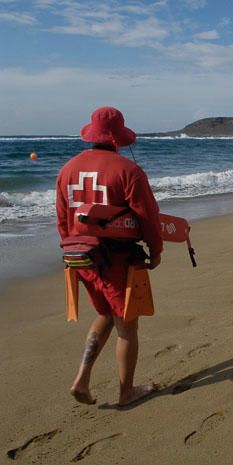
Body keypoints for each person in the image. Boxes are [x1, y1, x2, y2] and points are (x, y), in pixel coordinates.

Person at [56, 107, 163, 407]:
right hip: (117, 260)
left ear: (92, 135)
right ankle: (126, 393)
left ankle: (81, 379)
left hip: (80, 257)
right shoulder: (128, 171)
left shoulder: (66, 169)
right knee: (127, 327)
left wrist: (71, 252)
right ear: (118, 138)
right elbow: (149, 219)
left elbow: (62, 221)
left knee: (104, 315)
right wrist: (156, 251)